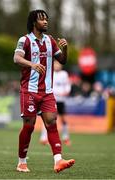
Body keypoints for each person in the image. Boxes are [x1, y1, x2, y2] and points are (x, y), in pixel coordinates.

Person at [13, 9, 75, 173]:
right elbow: (17, 58)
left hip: (47, 91)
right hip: (30, 90)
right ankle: (21, 162)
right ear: (34, 22)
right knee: (29, 126)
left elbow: (62, 60)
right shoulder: (24, 40)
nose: (46, 22)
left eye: (47, 19)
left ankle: (58, 160)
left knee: (52, 123)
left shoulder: (50, 40)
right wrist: (32, 64)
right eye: (42, 19)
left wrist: (65, 49)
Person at [40, 60, 71, 146]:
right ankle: (43, 138)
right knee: (47, 118)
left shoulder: (64, 74)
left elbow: (68, 85)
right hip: (52, 99)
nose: (57, 66)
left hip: (61, 99)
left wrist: (67, 91)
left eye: (59, 64)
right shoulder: (50, 73)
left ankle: (66, 137)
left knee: (63, 119)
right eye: (56, 64)